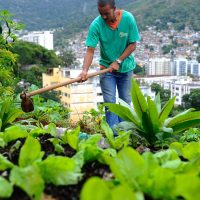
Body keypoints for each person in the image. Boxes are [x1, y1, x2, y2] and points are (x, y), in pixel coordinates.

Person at [79, 0, 140, 130]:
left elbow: (133, 44)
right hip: (106, 70)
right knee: (110, 103)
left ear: (115, 8)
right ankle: (113, 134)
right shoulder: (96, 24)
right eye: (101, 14)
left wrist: (118, 61)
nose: (104, 17)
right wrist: (85, 70)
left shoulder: (128, 19)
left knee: (125, 103)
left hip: (126, 68)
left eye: (106, 13)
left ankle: (126, 133)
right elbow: (90, 50)